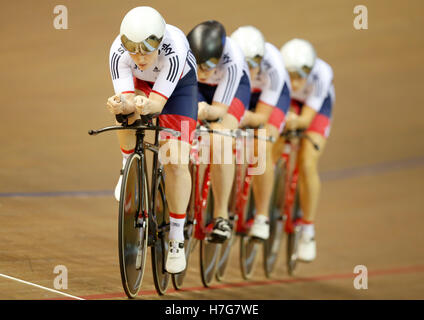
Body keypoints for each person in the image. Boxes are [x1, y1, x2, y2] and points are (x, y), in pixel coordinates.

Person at [106, 6, 198, 273]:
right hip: (143, 85)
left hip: (179, 88)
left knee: (176, 160)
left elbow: (156, 105)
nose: (139, 57)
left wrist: (144, 105)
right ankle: (127, 167)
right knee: (124, 116)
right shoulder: (117, 52)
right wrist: (120, 104)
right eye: (133, 51)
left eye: (146, 51)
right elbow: (126, 100)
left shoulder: (175, 48)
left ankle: (177, 238)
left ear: (159, 42)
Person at [187, 20, 251, 243]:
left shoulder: (232, 60)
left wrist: (204, 111)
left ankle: (221, 215)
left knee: (220, 138)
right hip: (198, 89)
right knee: (180, 131)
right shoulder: (186, 54)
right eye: (197, 65)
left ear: (219, 58)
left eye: (207, 66)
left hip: (233, 91)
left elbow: (218, 111)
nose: (202, 71)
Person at [231, 26, 291, 240]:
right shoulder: (228, 61)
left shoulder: (273, 66)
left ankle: (262, 217)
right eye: (243, 64)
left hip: (272, 100)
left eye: (253, 65)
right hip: (243, 93)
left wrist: (242, 119)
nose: (248, 69)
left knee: (262, 146)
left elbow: (261, 117)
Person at [280, 38, 335, 262]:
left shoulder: (322, 74)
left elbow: (304, 121)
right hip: (290, 104)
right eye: (289, 76)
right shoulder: (281, 73)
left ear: (309, 72)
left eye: (299, 77)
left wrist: (289, 122)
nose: (293, 83)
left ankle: (308, 230)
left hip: (316, 108)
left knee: (307, 162)